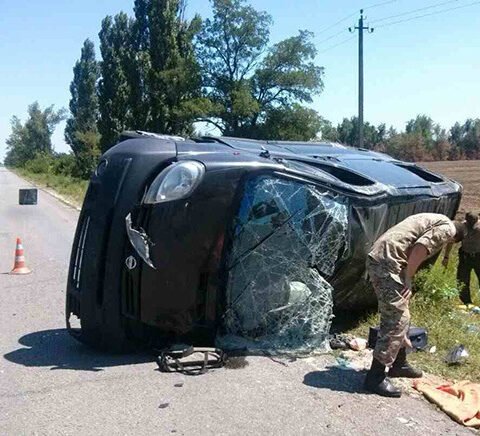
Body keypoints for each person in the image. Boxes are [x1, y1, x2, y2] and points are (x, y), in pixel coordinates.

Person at [364, 213, 464, 398]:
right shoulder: (448, 229)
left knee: (402, 312)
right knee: (396, 319)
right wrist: (408, 279)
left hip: (385, 258)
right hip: (388, 262)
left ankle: (399, 363)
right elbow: (420, 247)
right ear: (455, 238)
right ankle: (375, 377)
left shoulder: (438, 218)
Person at [442, 211, 480, 306]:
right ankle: (467, 303)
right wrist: (446, 256)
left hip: (478, 256)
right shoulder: (461, 227)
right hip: (465, 256)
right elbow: (451, 241)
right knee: (462, 280)